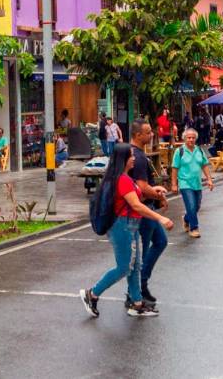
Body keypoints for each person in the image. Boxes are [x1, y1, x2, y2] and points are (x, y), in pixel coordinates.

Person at [79, 144, 175, 319]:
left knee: (135, 266)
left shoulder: (125, 178)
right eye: (131, 156)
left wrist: (155, 191)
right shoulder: (122, 180)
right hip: (122, 227)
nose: (134, 158)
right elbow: (136, 205)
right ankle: (92, 294)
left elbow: (137, 197)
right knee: (124, 267)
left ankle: (136, 303)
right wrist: (160, 218)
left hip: (131, 226)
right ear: (123, 159)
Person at [129, 119, 168, 305]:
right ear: (138, 135)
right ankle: (135, 291)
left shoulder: (136, 155)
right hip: (143, 209)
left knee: (160, 241)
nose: (151, 134)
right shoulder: (138, 157)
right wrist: (157, 194)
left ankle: (142, 284)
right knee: (142, 252)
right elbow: (142, 187)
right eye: (148, 132)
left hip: (147, 206)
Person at [172, 128, 213, 238]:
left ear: (196, 139)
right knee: (191, 205)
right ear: (184, 138)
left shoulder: (199, 150)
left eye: (193, 138)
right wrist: (174, 184)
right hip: (185, 183)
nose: (191, 140)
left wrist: (209, 179)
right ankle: (194, 228)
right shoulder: (179, 151)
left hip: (197, 183)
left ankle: (186, 218)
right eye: (189, 138)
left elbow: (204, 165)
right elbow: (175, 168)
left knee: (197, 206)